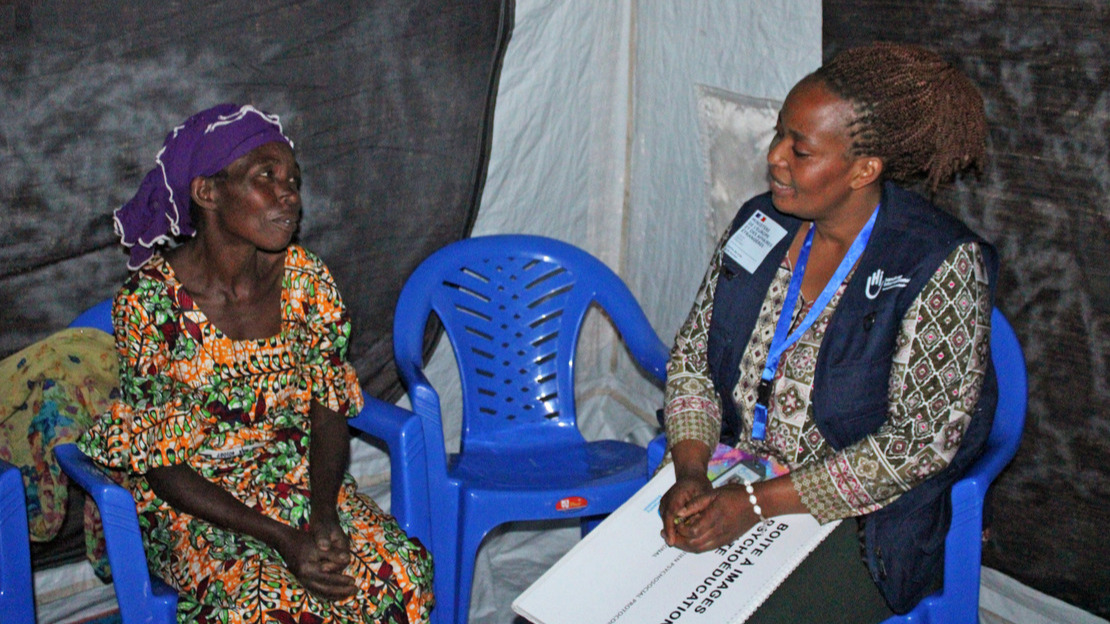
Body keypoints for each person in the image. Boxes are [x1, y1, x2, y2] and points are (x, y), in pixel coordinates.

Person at [658, 42, 998, 621]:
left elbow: (917, 447)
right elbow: (694, 357)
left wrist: (756, 506)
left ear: (864, 169)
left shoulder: (936, 263)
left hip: (861, 523)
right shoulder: (761, 223)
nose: (776, 159)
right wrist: (691, 469)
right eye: (779, 134)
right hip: (740, 476)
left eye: (802, 148)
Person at [78, 104, 434, 623]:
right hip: (193, 503)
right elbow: (162, 466)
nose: (288, 193)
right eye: (265, 177)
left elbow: (327, 402)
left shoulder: (306, 281)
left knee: (402, 572)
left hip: (295, 481)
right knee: (263, 608)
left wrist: (324, 512)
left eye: (293, 179)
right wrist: (283, 538)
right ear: (208, 193)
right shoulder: (149, 305)